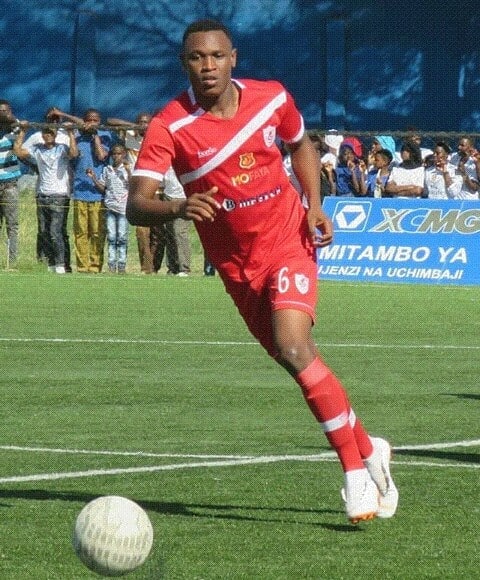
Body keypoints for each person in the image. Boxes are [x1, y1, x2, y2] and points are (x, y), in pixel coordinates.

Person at [127, 19, 398, 524]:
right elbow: (136, 205)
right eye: (196, 58)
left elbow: (301, 145)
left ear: (233, 58)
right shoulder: (170, 125)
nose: (207, 66)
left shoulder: (272, 97)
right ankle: (369, 447)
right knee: (296, 361)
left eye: (216, 56)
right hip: (237, 267)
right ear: (184, 64)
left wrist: (315, 204)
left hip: (289, 240)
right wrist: (178, 206)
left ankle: (353, 473)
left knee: (294, 346)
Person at [54, 108, 114, 272]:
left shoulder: (105, 136)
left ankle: (95, 266)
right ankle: (82, 266)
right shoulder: (77, 138)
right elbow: (73, 155)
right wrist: (72, 134)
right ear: (83, 121)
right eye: (89, 120)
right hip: (80, 192)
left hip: (98, 194)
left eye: (95, 120)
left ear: (99, 122)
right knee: (80, 232)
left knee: (97, 232)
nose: (92, 123)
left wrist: (95, 136)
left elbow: (101, 156)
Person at [14, 123, 78, 273]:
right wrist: (23, 131)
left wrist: (70, 133)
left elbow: (74, 153)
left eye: (51, 133)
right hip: (42, 194)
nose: (48, 135)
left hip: (59, 195)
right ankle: (50, 263)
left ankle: (61, 264)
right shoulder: (37, 149)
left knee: (56, 232)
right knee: (44, 232)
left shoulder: (62, 148)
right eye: (46, 132)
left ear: (56, 135)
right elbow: (18, 151)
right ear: (42, 135)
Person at [108, 112, 155, 273]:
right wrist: (134, 127)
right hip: (134, 187)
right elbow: (110, 120)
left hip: (152, 185)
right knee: (140, 230)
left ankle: (153, 266)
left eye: (146, 123)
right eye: (141, 122)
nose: (144, 125)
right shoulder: (130, 137)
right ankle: (145, 268)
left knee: (153, 232)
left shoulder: (155, 137)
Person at [86, 144, 130, 273]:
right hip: (110, 207)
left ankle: (121, 265)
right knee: (111, 237)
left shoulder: (126, 169)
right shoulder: (107, 169)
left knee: (122, 237)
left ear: (124, 154)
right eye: (114, 154)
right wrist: (93, 178)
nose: (116, 156)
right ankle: (111, 264)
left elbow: (133, 185)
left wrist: (128, 171)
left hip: (123, 208)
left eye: (119, 154)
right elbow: (103, 188)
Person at [0, 100, 22, 268]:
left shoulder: (13, 131)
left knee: (12, 224)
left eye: (5, 111)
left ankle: (12, 262)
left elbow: (19, 124)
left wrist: (8, 116)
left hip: (10, 183)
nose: (2, 114)